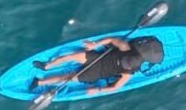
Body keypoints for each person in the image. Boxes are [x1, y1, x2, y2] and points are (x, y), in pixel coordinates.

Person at [29, 36, 164, 95]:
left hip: (97, 74)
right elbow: (112, 39)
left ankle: (39, 82)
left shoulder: (128, 73)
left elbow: (115, 87)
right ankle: (46, 66)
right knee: (71, 56)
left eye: (126, 65)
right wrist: (95, 44)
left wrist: (98, 90)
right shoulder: (126, 48)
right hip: (98, 58)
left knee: (67, 77)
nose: (124, 64)